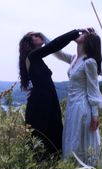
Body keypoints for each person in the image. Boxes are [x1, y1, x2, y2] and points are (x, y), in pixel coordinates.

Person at [18, 30, 82, 158]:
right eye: (35, 36)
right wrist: (75, 32)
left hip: (46, 101)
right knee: (45, 136)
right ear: (29, 42)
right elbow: (54, 45)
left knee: (51, 135)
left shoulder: (35, 58)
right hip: (41, 105)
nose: (39, 36)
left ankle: (52, 166)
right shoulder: (32, 56)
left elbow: (54, 48)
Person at [54, 28, 102, 166]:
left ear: (88, 40)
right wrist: (44, 40)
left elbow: (93, 90)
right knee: (73, 139)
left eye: (84, 34)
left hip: (82, 107)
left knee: (81, 141)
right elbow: (57, 52)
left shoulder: (89, 62)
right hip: (72, 107)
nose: (80, 34)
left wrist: (95, 115)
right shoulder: (75, 59)